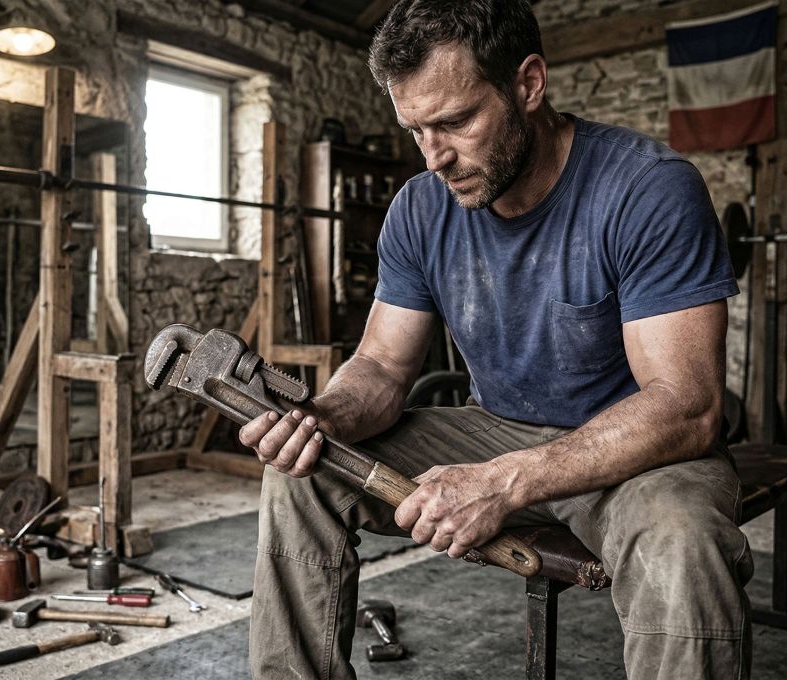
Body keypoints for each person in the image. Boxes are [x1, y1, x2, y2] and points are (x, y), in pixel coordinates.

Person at [240, 1, 753, 678]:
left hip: (638, 452)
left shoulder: (646, 189)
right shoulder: (421, 208)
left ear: (529, 83)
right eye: (417, 130)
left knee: (682, 539)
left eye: (456, 121)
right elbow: (383, 365)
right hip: (496, 429)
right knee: (304, 471)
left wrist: (503, 483)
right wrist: (323, 417)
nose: (437, 156)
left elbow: (688, 407)